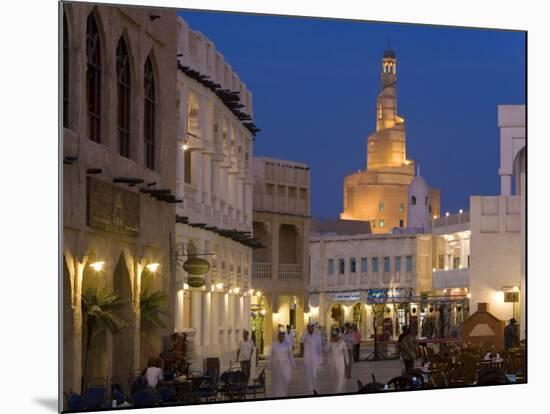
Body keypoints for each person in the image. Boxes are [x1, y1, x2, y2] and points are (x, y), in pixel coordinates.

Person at [270, 326, 296, 397]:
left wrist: (293, 365)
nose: (281, 338)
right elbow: (271, 355)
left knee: (286, 381)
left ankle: (285, 394)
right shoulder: (274, 344)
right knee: (278, 383)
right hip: (277, 368)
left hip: (285, 367)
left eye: (282, 336)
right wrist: (269, 364)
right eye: (279, 336)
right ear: (278, 336)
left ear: (284, 337)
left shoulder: (287, 345)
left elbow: (290, 356)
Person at [300, 323, 322, 394]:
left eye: (312, 327)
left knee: (314, 374)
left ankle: (314, 388)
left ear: (313, 328)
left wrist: (320, 361)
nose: (310, 329)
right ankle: (311, 390)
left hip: (315, 359)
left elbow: (319, 349)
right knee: (308, 375)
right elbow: (301, 340)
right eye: (309, 328)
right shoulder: (305, 335)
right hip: (307, 359)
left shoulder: (317, 337)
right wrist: (305, 331)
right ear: (307, 328)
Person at [326, 327, 349, 394]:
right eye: (334, 336)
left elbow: (346, 355)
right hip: (332, 365)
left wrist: (347, 365)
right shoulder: (330, 343)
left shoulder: (342, 343)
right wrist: (330, 342)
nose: (335, 337)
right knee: (333, 381)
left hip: (340, 365)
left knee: (340, 381)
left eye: (336, 336)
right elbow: (326, 350)